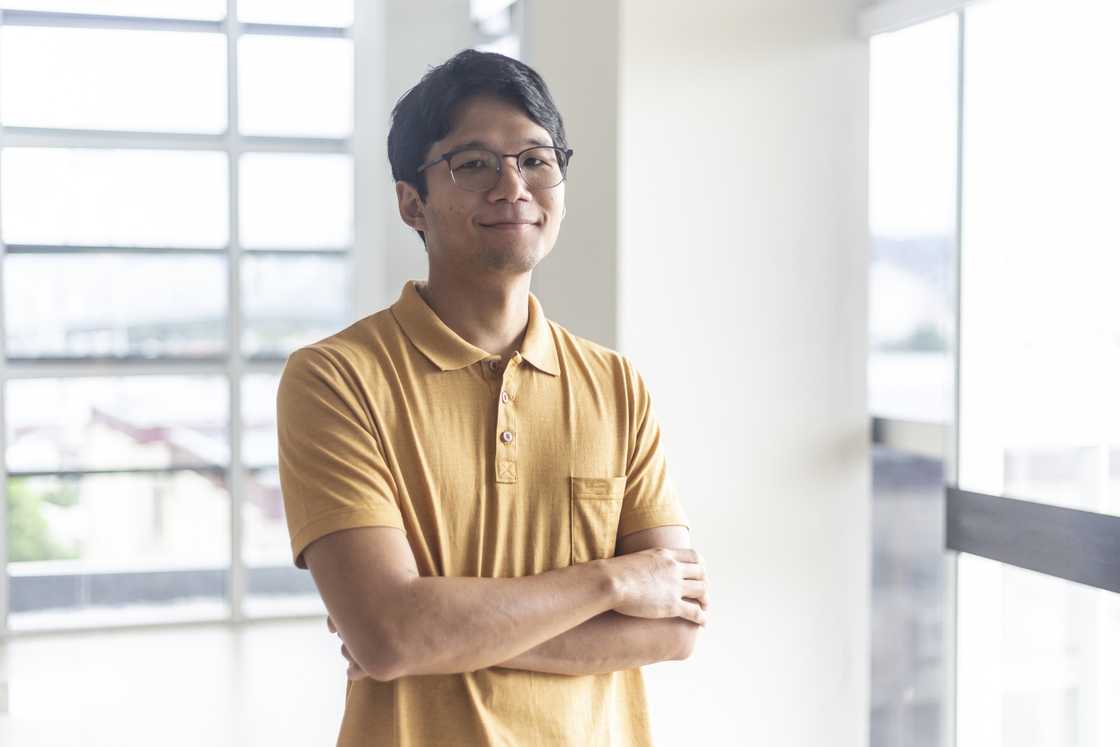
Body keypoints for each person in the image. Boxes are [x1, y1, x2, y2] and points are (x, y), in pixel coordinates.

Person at [276, 48, 710, 746]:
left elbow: (673, 626)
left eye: (536, 159)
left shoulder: (615, 385)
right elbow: (390, 632)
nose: (513, 184)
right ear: (410, 199)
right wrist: (611, 582)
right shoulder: (335, 378)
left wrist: (435, 633)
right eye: (473, 164)